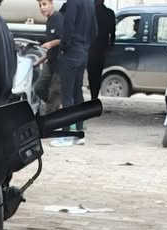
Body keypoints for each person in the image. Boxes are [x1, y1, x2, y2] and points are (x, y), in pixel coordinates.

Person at [56, 0, 94, 138]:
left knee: (67, 94)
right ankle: (79, 127)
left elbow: (68, 26)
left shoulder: (73, 2)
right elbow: (94, 30)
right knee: (78, 91)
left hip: (71, 52)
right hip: (83, 52)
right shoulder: (90, 3)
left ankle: (66, 131)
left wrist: (63, 47)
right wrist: (86, 46)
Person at [35, 0, 62, 111]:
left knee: (54, 92)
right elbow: (51, 49)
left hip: (60, 63)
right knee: (39, 88)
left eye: (44, 4)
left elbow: (64, 40)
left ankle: (53, 110)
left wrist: (50, 44)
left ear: (51, 4)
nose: (42, 7)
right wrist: (39, 61)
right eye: (40, 5)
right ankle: (54, 105)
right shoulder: (49, 21)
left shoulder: (58, 18)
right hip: (50, 62)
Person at [86, 0, 114, 101]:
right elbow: (113, 33)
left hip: (91, 48)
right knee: (98, 74)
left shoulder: (89, 12)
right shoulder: (109, 13)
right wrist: (110, 48)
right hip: (102, 49)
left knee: (91, 73)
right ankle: (94, 96)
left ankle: (93, 96)